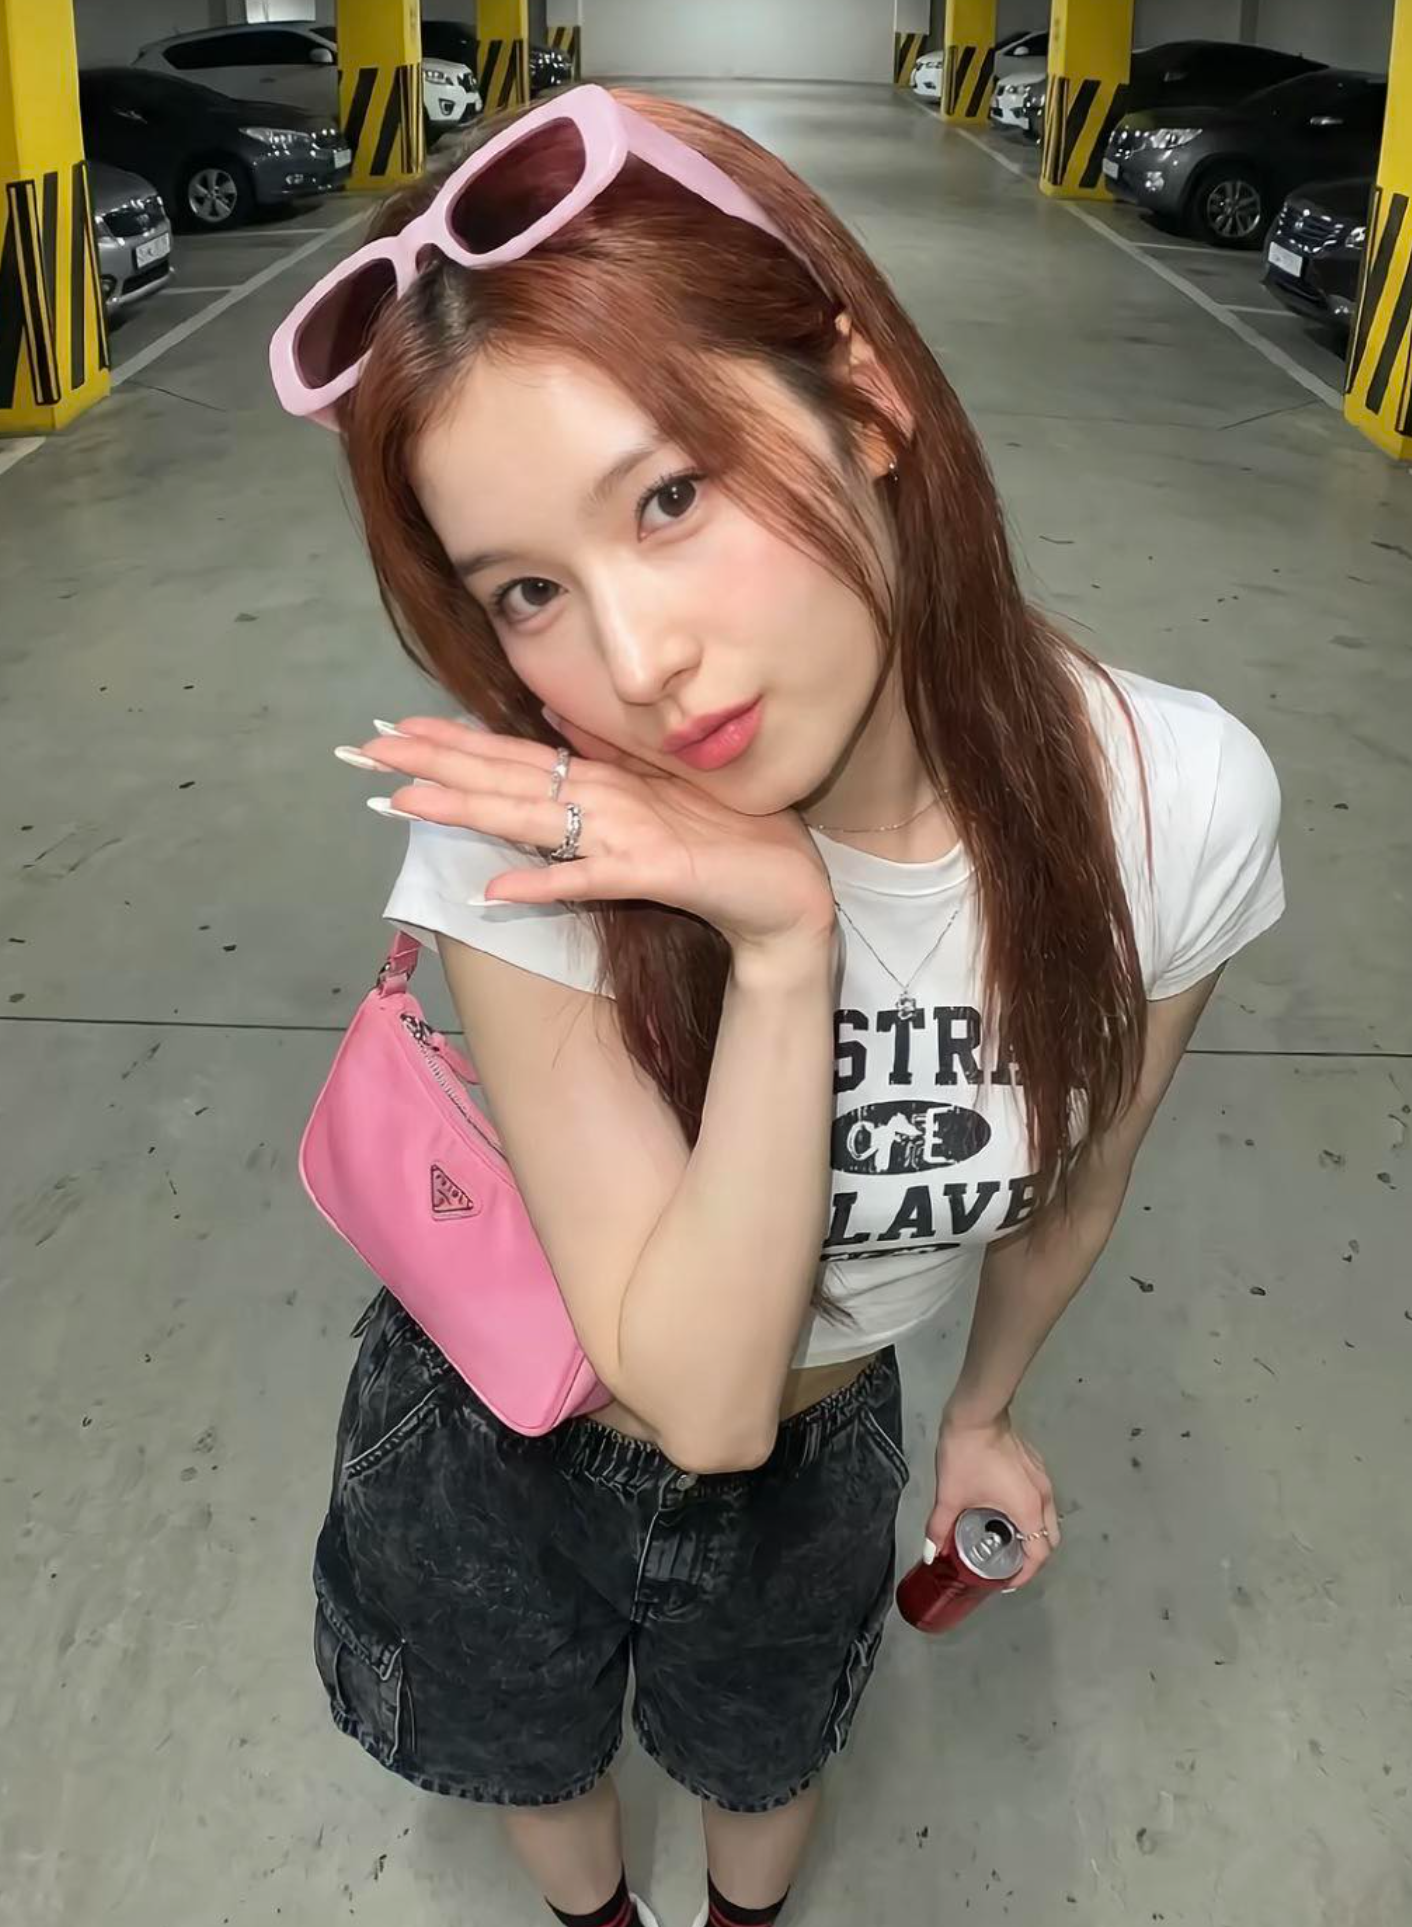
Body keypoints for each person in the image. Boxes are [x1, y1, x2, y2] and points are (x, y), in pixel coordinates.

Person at [272, 83, 1284, 1927]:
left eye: (672, 494)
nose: (639, 663)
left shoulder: (1174, 806)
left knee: (767, 1768)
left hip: (826, 1455)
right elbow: (699, 1398)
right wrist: (783, 940)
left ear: (867, 403)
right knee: (538, 1769)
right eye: (529, 590)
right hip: (499, 1434)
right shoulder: (526, 839)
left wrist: (982, 1407)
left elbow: (1078, 1180)